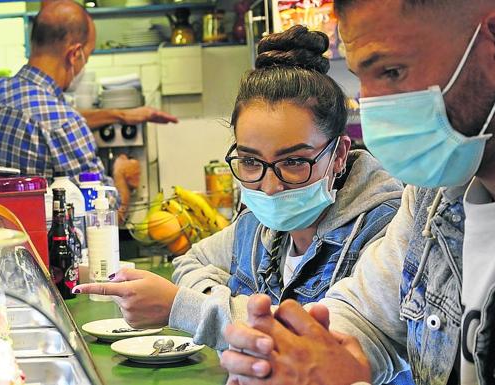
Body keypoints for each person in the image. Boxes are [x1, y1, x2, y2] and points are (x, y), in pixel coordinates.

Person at [72, 27, 410, 384]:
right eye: (250, 162)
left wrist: (184, 307)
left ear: (339, 154)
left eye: (294, 162)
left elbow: (318, 350)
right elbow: (193, 261)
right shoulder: (257, 223)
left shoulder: (383, 228)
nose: (270, 185)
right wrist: (223, 298)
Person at [221, 1, 495, 384]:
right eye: (361, 77)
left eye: (392, 71)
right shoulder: (431, 200)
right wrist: (297, 352)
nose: (372, 106)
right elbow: (367, 316)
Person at [0, 0, 176, 191]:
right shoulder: (63, 123)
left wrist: (120, 115)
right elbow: (103, 214)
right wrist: (120, 175)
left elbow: (38, 117)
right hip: (40, 234)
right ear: (75, 55)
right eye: (88, 55)